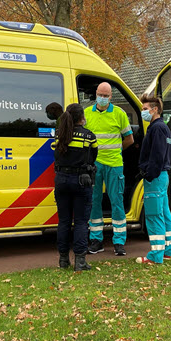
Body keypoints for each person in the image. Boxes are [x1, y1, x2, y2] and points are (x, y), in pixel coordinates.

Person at [84, 82, 134, 256]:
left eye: (106, 95)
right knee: (94, 202)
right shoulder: (86, 114)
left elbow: (129, 139)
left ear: (111, 96)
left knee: (117, 202)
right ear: (96, 94)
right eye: (100, 94)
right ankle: (96, 240)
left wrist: (116, 151)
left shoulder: (119, 114)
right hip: (94, 165)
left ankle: (119, 242)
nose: (103, 98)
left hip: (114, 165)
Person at [52, 103, 98, 271]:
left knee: (63, 221)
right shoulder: (89, 136)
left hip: (61, 180)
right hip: (81, 181)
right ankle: (80, 262)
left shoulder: (60, 135)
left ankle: (63, 260)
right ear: (81, 118)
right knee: (80, 222)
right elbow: (93, 157)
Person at [136, 95, 171, 265]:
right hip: (162, 175)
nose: (143, 112)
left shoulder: (156, 129)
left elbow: (156, 156)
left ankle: (155, 256)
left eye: (145, 109)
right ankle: (166, 251)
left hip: (155, 177)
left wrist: (148, 174)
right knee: (164, 214)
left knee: (153, 215)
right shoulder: (164, 128)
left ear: (155, 109)